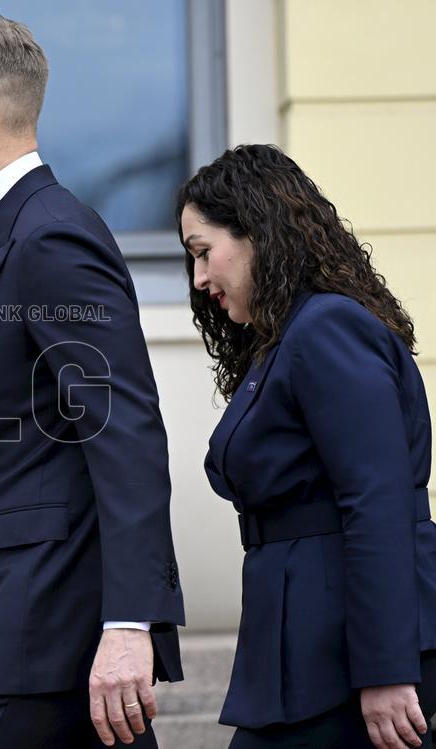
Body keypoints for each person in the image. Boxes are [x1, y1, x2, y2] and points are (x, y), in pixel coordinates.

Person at [0, 12, 184, 748]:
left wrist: (128, 625)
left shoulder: (49, 231)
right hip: (7, 626)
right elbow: (5, 471)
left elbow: (124, 434)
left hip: (44, 631)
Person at [178, 143, 436, 749]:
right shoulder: (288, 339)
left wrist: (386, 670)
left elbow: (377, 501)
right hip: (303, 645)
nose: (199, 278)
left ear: (259, 234)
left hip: (349, 654)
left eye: (204, 253)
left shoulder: (325, 328)